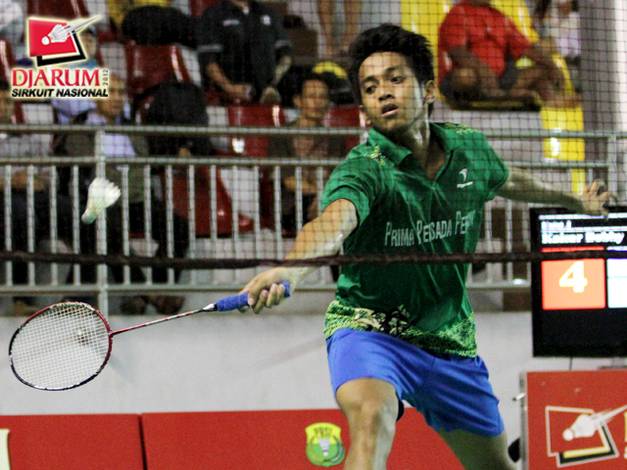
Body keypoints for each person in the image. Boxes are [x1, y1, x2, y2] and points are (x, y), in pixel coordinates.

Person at [241, 24, 611, 469]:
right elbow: (333, 222)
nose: (383, 93)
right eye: (370, 88)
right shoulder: (365, 169)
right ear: (363, 109)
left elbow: (508, 178)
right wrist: (291, 268)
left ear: (429, 89)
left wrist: (573, 200)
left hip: (449, 340)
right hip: (371, 329)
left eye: (395, 79)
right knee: (373, 416)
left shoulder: (467, 150)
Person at [63, 75, 187, 315]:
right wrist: (122, 175)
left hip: (138, 200)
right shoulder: (79, 128)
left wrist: (121, 174)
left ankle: (156, 288)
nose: (118, 98)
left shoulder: (132, 128)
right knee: (106, 226)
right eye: (111, 92)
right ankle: (147, 292)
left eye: (121, 93)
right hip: (101, 203)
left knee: (178, 228)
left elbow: (143, 164)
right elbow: (89, 168)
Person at [0, 79, 72, 315]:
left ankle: (83, 295)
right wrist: (10, 181)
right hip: (5, 201)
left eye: (7, 101)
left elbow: (51, 176)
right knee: (18, 212)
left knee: (70, 209)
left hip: (34, 198)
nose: (3, 106)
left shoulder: (28, 140)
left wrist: (40, 181)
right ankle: (20, 296)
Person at [438, 0, 565, 104]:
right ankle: (498, 97)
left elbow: (527, 49)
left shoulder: (499, 17)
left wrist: (552, 65)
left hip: (501, 80)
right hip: (471, 81)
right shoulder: (458, 13)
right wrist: (483, 71)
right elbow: (458, 52)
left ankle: (552, 102)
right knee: (465, 77)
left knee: (541, 70)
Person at [268, 73, 344, 233]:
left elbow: (338, 178)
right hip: (294, 204)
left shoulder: (336, 138)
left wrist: (324, 197)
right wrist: (320, 195)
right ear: (298, 101)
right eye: (311, 97)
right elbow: (289, 180)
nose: (318, 103)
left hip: (328, 202)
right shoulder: (280, 136)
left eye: (322, 97)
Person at [196, 0, 292, 104]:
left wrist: (272, 85)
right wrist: (230, 88)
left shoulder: (269, 13)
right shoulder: (213, 14)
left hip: (266, 98)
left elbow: (286, 56)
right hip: (228, 101)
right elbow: (208, 60)